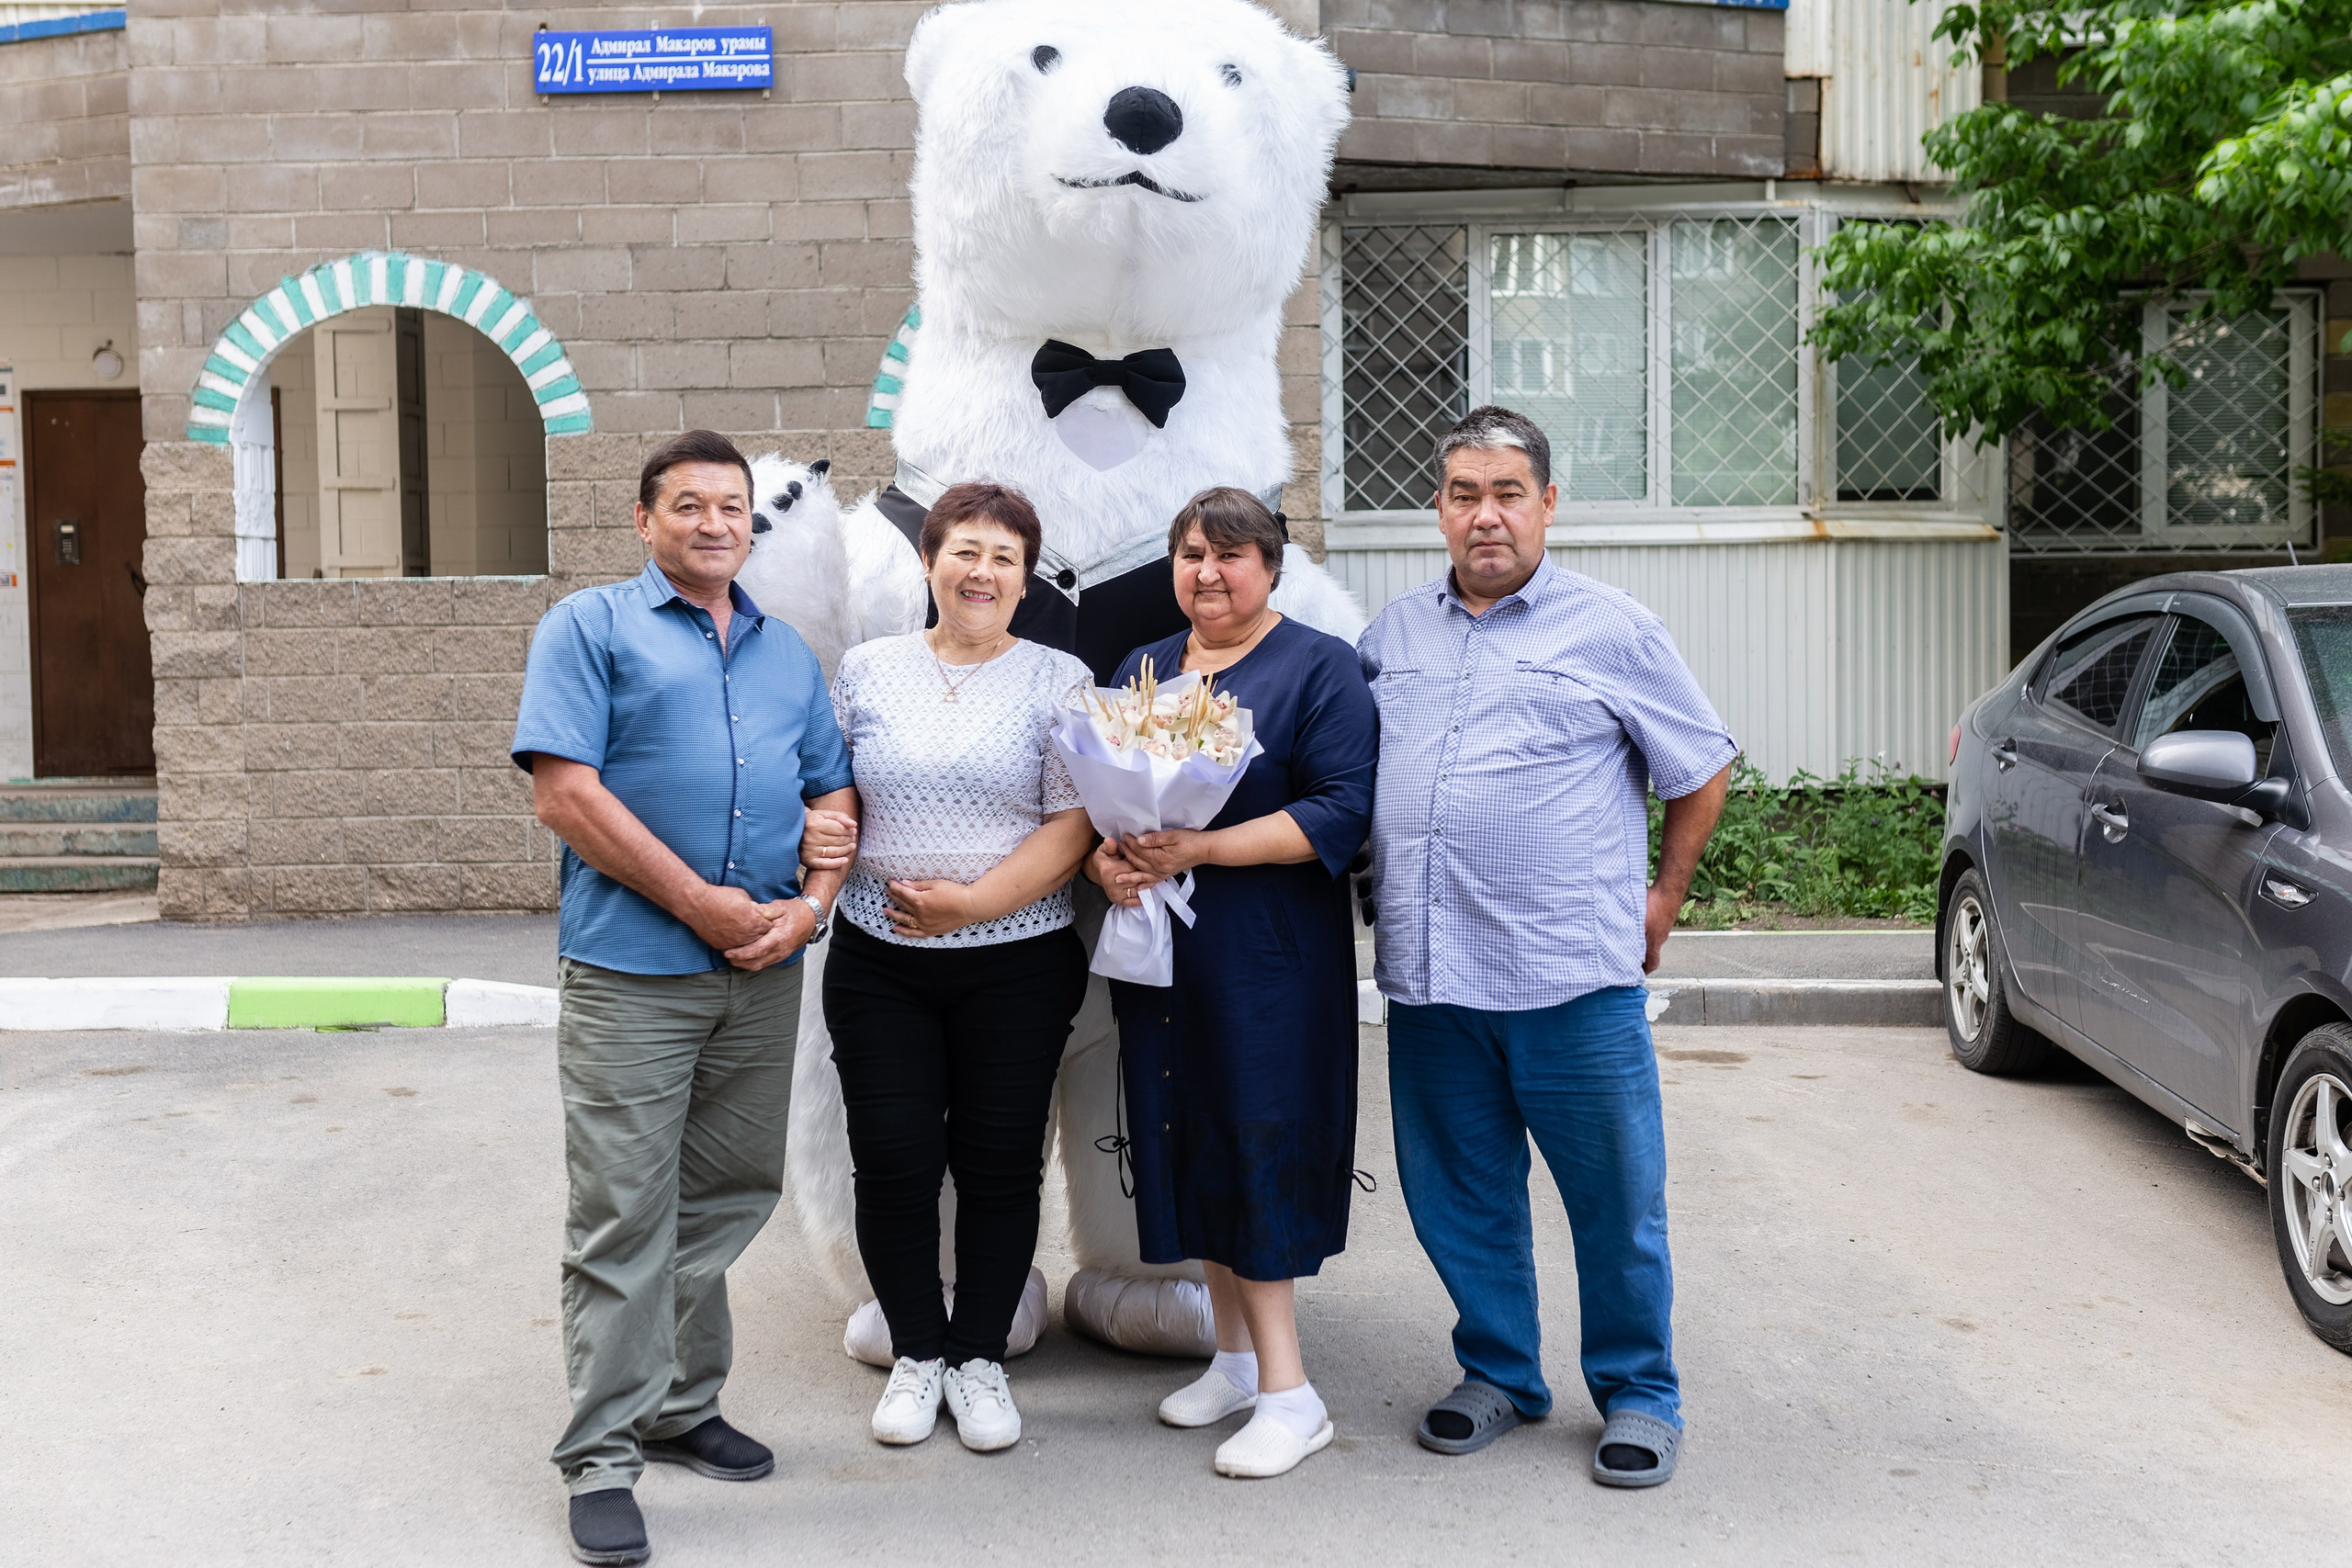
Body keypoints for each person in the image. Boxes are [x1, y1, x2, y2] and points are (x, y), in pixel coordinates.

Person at [1359, 406, 1734, 1489]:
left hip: (1570, 979)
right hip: (1432, 982)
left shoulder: (1611, 627)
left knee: (1615, 1202)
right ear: (1437, 510)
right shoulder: (1392, 636)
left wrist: (1662, 896)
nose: (1486, 515)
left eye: (1507, 493)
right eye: (1464, 494)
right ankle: (1500, 1373)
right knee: (1459, 1193)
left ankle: (1639, 1392)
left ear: (1548, 504)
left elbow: (1699, 765)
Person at [513, 429, 860, 1568]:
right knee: (624, 1208)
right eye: (691, 505)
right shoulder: (589, 629)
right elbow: (567, 796)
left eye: (735, 508)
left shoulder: (782, 654)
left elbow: (832, 790)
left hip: (761, 970)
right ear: (645, 520)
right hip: (632, 973)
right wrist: (703, 904)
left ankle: (677, 1403)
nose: (717, 524)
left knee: (729, 1189)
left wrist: (809, 905)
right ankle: (602, 1455)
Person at [1088, 487, 1377, 1481]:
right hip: (1163, 954)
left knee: (1256, 1137)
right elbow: (1109, 811)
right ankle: (1236, 1358)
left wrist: (1202, 847)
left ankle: (1294, 1396)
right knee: (1187, 1131)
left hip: (1268, 960)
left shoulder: (1317, 668)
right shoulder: (1146, 669)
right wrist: (1113, 862)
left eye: (1230, 555)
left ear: (1272, 566)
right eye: (1189, 555)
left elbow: (1339, 810)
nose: (1207, 573)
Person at [822, 481, 1097, 1454]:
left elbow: (1075, 819)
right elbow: (834, 794)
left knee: (996, 1164)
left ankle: (979, 1357)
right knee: (892, 1158)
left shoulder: (1058, 677)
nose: (982, 572)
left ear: (1027, 579)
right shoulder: (866, 669)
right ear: (930, 561)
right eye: (965, 551)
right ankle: (916, 1354)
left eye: (1004, 558)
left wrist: (976, 903)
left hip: (1015, 963)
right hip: (877, 959)